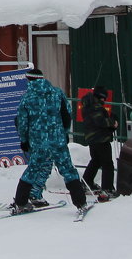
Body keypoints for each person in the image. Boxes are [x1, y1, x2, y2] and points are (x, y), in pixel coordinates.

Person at [10, 67, 88, 213]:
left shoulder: (27, 97)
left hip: (38, 141)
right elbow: (66, 115)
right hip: (57, 139)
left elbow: (22, 122)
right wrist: (63, 132)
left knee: (32, 170)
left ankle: (20, 202)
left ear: (29, 80)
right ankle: (81, 203)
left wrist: (24, 140)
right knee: (68, 169)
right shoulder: (57, 93)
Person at [80, 84, 117, 199]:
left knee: (96, 161)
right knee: (107, 164)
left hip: (92, 138)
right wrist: (112, 123)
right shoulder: (95, 107)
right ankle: (107, 189)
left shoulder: (88, 104)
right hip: (100, 139)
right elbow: (100, 122)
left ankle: (87, 182)